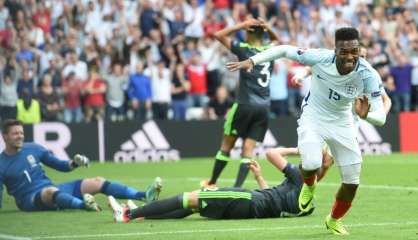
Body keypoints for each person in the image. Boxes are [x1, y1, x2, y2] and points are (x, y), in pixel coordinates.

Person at [226, 27, 386, 235]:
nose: (350, 56)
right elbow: (283, 49)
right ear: (335, 50)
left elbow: (381, 117)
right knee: (311, 163)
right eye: (344, 51)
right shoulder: (320, 57)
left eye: (354, 51)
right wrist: (253, 61)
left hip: (343, 122)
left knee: (352, 182)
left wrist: (366, 116)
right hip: (314, 117)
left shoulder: (368, 74)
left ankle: (334, 220)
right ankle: (309, 187)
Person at [108, 147, 333, 222]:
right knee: (194, 206)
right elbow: (274, 201)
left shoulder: (300, 178)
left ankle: (128, 214)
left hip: (248, 201)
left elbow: (271, 153)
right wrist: (259, 177)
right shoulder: (308, 201)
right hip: (252, 206)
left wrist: (297, 149)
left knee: (191, 197)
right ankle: (142, 215)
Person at [0, 119, 162, 212]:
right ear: (5, 136)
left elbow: (61, 166)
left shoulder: (34, 148)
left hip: (53, 190)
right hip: (29, 201)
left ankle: (143, 195)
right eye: (15, 133)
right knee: (50, 191)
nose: (20, 136)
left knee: (97, 181)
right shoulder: (1, 163)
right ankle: (84, 205)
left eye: (21, 132)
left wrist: (74, 163)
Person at [201, 18, 279, 189]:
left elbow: (218, 35)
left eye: (245, 31)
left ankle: (212, 182)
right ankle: (237, 189)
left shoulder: (245, 49)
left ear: (248, 33)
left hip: (245, 104)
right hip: (264, 107)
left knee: (227, 145)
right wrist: (268, 28)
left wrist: (240, 25)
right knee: (248, 150)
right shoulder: (270, 50)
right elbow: (277, 40)